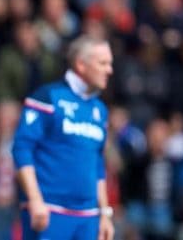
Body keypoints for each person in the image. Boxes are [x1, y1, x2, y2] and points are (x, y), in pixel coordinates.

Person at [12, 35, 115, 240]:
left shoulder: (99, 110)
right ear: (81, 65)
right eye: (102, 63)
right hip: (49, 211)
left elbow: (97, 164)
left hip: (88, 216)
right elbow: (22, 148)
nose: (109, 70)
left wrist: (104, 213)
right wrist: (34, 199)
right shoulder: (48, 97)